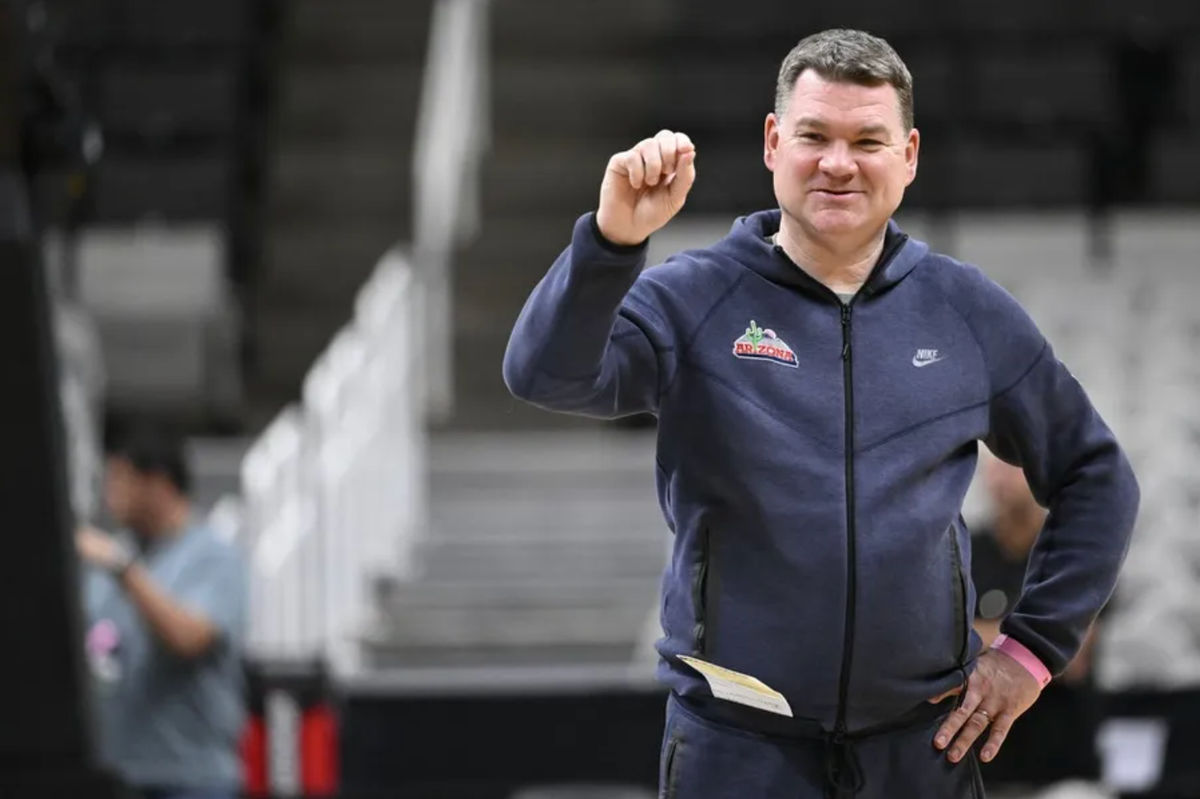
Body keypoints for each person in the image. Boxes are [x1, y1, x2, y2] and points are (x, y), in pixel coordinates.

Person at [503, 28, 1139, 799]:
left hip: (921, 749)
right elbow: (545, 374)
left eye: (867, 139)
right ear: (774, 143)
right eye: (815, 136)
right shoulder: (694, 297)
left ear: (908, 156)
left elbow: (1096, 472)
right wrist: (610, 243)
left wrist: (1031, 652)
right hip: (735, 750)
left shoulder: (965, 311)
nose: (839, 163)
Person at [76, 424, 248, 799]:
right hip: (119, 777)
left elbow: (187, 639)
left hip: (195, 780)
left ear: (158, 483)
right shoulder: (115, 554)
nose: (110, 495)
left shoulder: (212, 555)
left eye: (121, 480)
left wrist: (123, 571)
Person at [971, 455, 1106, 794]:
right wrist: (1034, 635)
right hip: (982, 770)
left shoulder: (1071, 551)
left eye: (1013, 467)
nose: (1001, 479)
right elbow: (945, 641)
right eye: (995, 468)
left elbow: (1073, 654)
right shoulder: (966, 550)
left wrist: (984, 634)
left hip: (1063, 771)